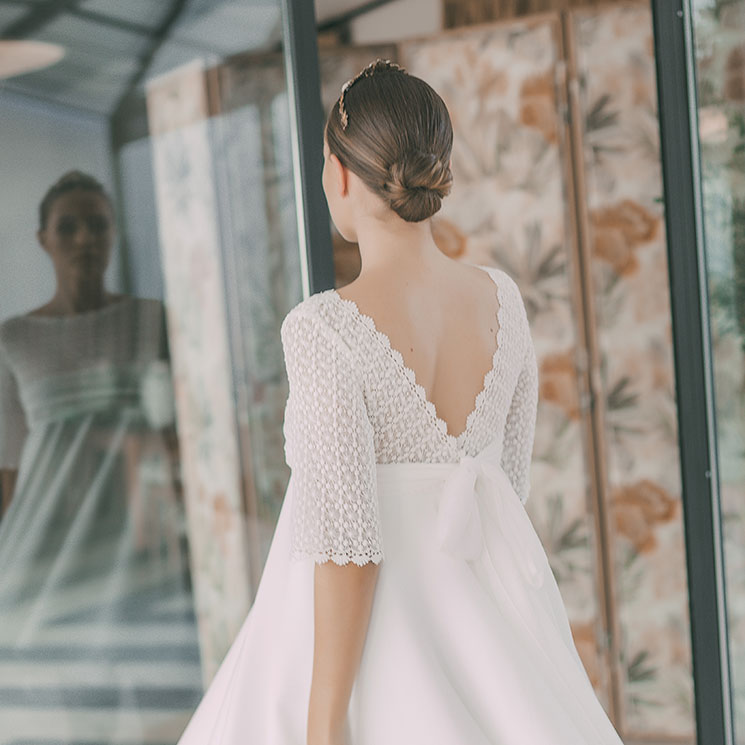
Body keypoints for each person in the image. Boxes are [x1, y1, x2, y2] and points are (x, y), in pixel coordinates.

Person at [176, 60, 625, 744]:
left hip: (367, 647)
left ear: (340, 173)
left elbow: (347, 547)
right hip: (492, 638)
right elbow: (506, 489)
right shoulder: (502, 300)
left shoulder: (322, 328)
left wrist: (323, 726)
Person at [0, 171, 201, 743]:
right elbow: (9, 470)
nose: (85, 238)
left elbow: (184, 439)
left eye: (98, 225)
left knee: (166, 710)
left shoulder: (152, 320)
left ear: (114, 235)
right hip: (48, 561)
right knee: (70, 719)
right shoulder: (13, 340)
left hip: (142, 551)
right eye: (69, 226)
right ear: (44, 239)